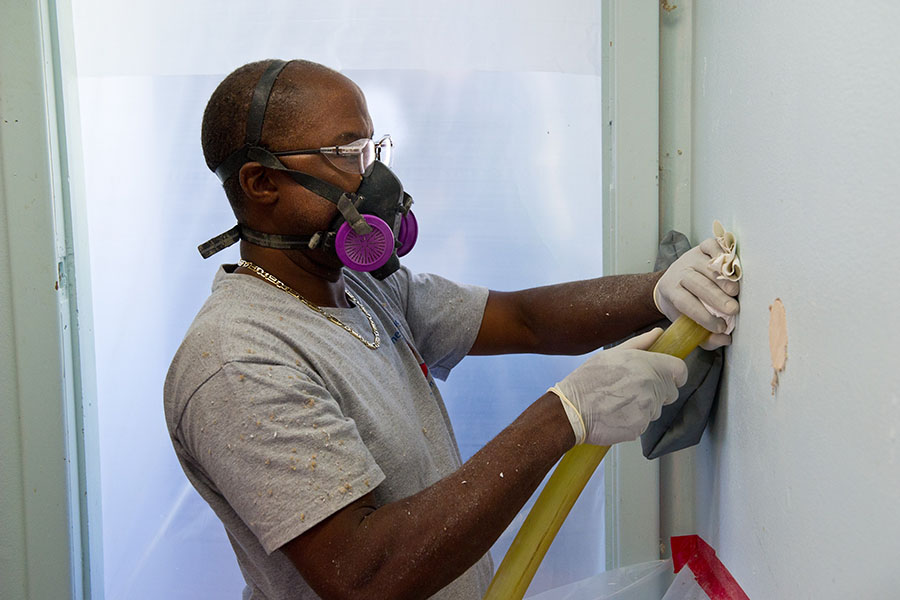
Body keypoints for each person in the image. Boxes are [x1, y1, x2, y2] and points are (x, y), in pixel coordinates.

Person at [164, 59, 740, 600]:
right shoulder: (238, 360)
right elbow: (367, 574)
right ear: (261, 183)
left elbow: (524, 320)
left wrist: (660, 291)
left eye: (372, 149)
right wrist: (566, 415)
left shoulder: (363, 287)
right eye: (345, 154)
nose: (374, 180)